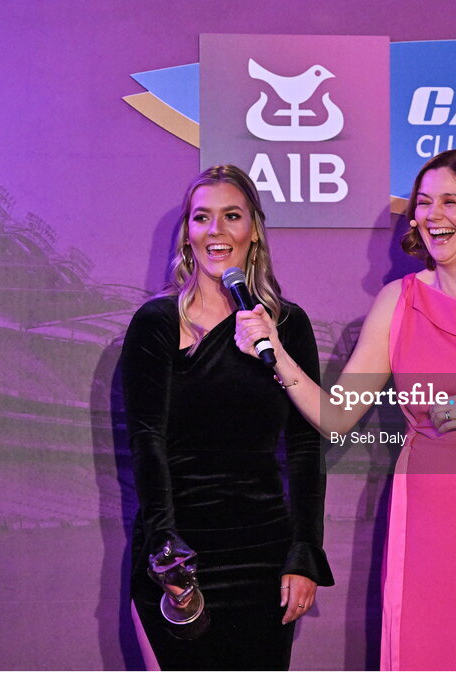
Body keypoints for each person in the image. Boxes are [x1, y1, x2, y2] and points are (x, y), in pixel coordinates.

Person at [236, 149, 456, 670]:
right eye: (423, 202)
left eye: (450, 200)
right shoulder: (397, 301)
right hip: (427, 515)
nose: (432, 215)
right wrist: (278, 352)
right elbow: (338, 416)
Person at [121, 165, 333, 671]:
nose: (216, 231)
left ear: (253, 229)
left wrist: (304, 551)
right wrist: (165, 547)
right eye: (202, 218)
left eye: (231, 216)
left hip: (262, 553)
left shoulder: (286, 324)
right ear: (188, 234)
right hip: (178, 553)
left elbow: (306, 446)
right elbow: (146, 442)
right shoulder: (156, 323)